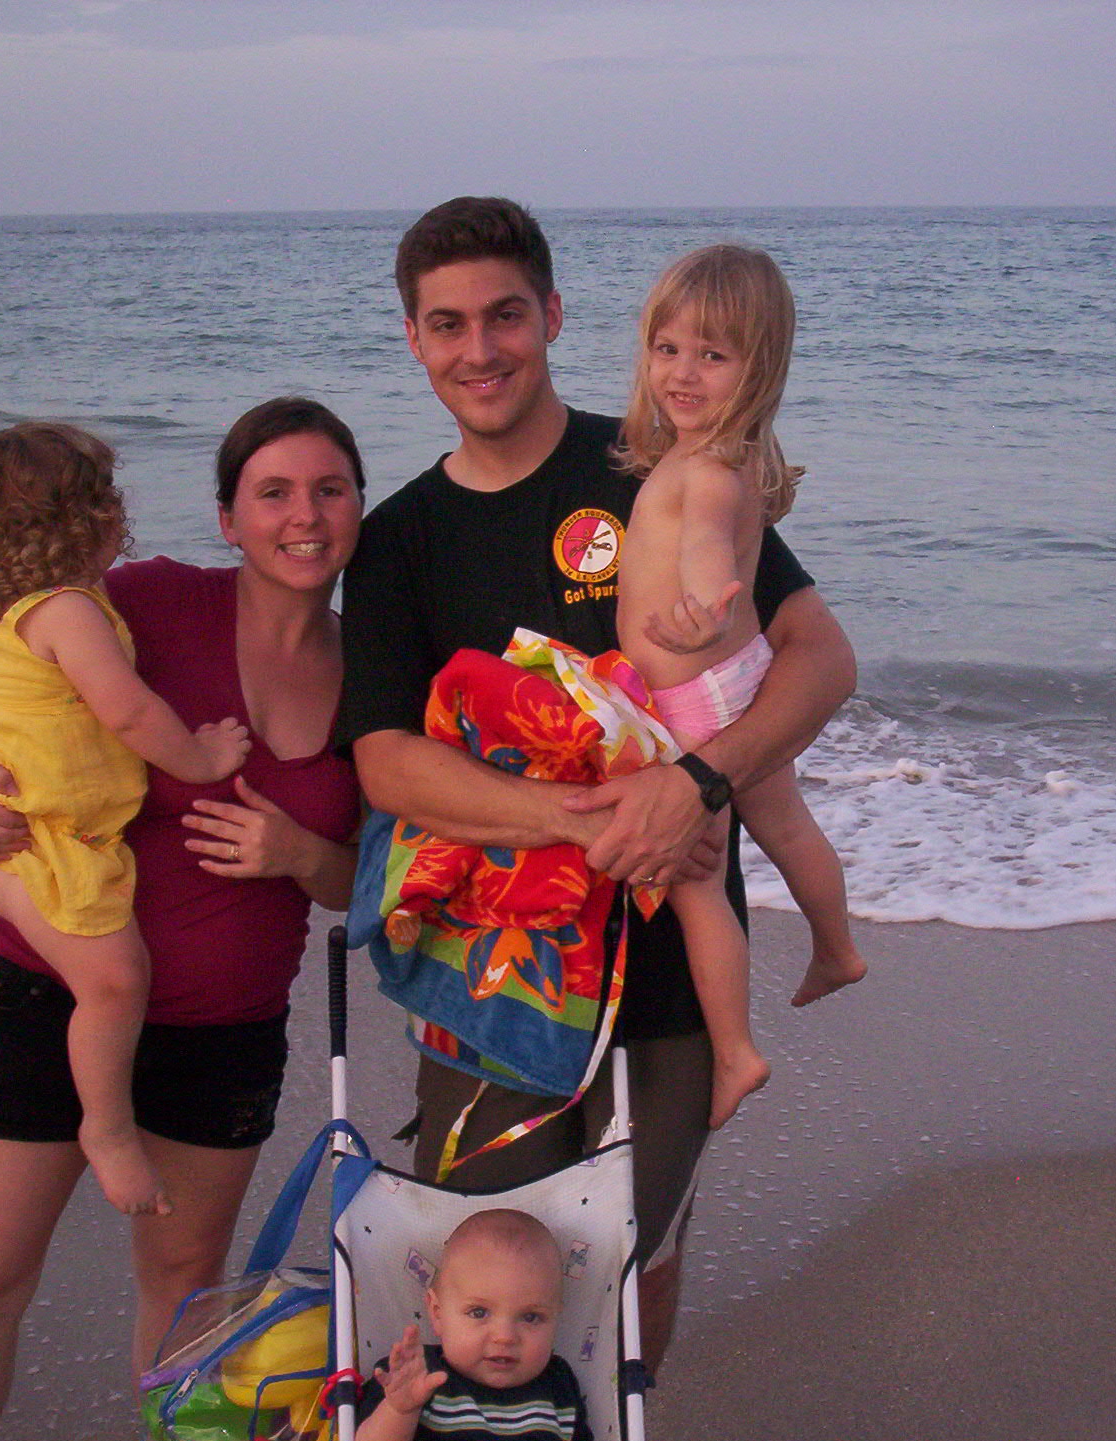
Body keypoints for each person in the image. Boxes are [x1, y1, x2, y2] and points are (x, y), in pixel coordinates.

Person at [339, 197, 857, 1364]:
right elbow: (386, 760)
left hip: (665, 950)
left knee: (636, 1250)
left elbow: (822, 658)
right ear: (413, 340)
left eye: (506, 315)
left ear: (554, 317)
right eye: (448, 324)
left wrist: (698, 784)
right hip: (494, 967)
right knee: (482, 1252)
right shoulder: (397, 540)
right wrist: (588, 814)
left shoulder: (656, 464)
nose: (480, 349)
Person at [0, 399, 365, 1441]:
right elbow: (8, 684)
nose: (305, 515)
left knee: (188, 1292)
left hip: (224, 1033)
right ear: (228, 516)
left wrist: (303, 854)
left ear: (358, 508)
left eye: (330, 489)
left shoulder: (378, 670)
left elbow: (373, 885)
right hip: (43, 995)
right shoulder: (143, 601)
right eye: (274, 492)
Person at [0, 421, 253, 1217]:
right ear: (95, 517)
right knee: (114, 979)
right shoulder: (71, 611)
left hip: (5, 845)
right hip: (44, 843)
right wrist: (199, 759)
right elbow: (129, 713)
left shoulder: (15, 611)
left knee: (18, 914)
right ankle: (107, 1128)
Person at [613, 244, 866, 1130]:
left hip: (700, 701)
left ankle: (734, 1051)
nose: (683, 373)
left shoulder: (707, 475)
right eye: (668, 348)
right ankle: (836, 949)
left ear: (758, 370)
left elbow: (709, 551)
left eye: (713, 356)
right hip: (739, 681)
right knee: (787, 822)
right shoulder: (720, 458)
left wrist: (701, 609)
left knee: (696, 884)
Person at [355, 1209, 634, 1441]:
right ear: (437, 1312)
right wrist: (400, 1410)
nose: (504, 1336)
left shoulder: (555, 1383)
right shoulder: (415, 1376)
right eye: (479, 1313)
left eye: (530, 1317)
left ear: (557, 1317)